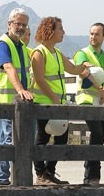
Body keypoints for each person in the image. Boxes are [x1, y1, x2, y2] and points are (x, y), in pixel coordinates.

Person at [30, 17, 87, 185]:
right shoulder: (39, 53)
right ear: (50, 31)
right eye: (61, 29)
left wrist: (84, 65)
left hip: (56, 104)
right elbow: (40, 79)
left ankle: (48, 172)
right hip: (44, 103)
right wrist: (55, 99)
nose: (64, 32)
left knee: (61, 138)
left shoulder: (56, 53)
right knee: (42, 138)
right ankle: (41, 174)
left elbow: (73, 69)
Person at [0, 8, 34, 185]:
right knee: (8, 142)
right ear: (9, 24)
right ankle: (3, 181)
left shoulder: (22, 46)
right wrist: (21, 90)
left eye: (24, 25)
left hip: (20, 105)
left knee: (17, 142)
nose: (21, 27)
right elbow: (8, 67)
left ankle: (11, 181)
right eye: (18, 24)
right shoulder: (3, 44)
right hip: (6, 103)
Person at [72, 23, 104, 185]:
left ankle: (92, 172)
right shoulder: (82, 54)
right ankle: (90, 175)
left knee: (99, 138)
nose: (93, 37)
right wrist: (100, 89)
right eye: (91, 33)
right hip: (87, 101)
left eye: (97, 34)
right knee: (96, 133)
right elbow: (83, 72)